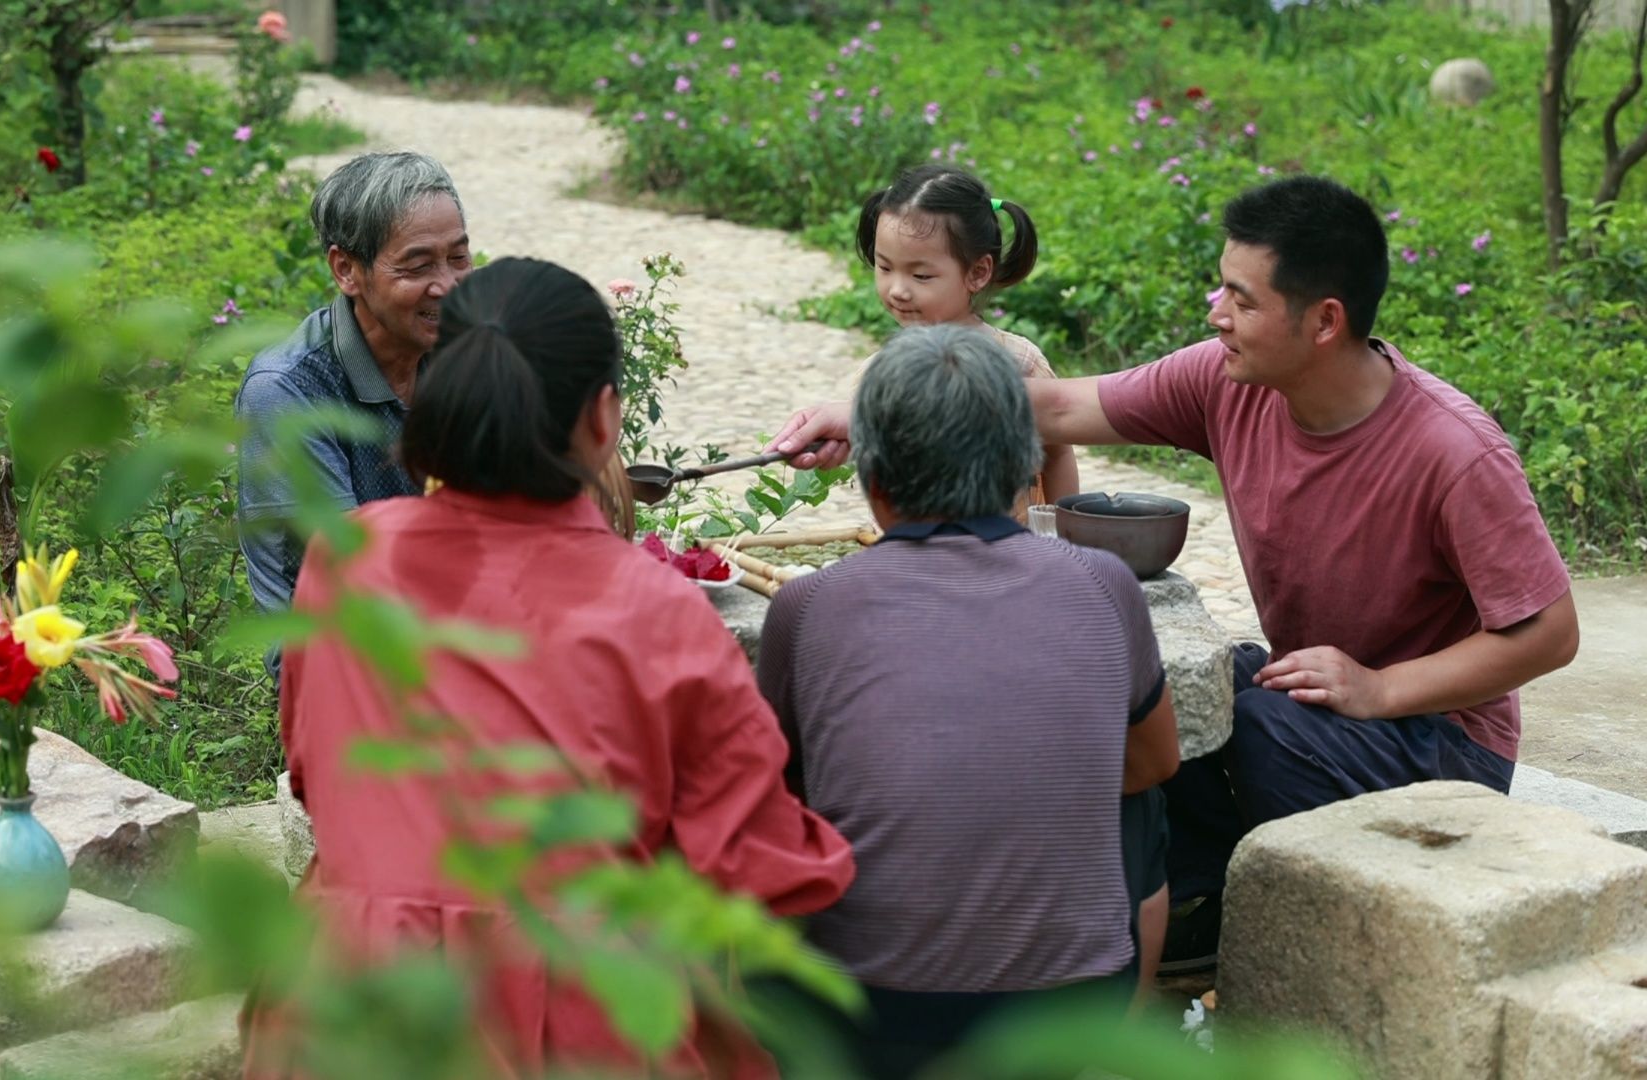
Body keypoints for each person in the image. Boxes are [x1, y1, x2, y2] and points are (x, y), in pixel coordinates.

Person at [766, 175, 1579, 973]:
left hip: (1439, 741)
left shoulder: (1454, 452)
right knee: (1167, 695)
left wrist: (1383, 688)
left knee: (1255, 727)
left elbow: (1550, 634)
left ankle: (1263, 920)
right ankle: (1202, 901)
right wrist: (862, 414)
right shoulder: (1226, 382)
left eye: (1241, 299)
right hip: (1313, 694)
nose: (1215, 312)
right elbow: (1057, 405)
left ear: (1325, 321)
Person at [241, 257, 854, 1078]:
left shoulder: (346, 561)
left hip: (345, 1011)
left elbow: (320, 777)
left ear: (438, 393)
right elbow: (752, 864)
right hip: (568, 1015)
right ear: (603, 421)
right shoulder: (656, 608)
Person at [756, 325, 1179, 1078]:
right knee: (1139, 804)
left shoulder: (810, 606)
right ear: (1027, 472)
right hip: (1068, 1010)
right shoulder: (1102, 583)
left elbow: (790, 794)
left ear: (875, 485)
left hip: (871, 1013)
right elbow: (1156, 761)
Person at [235, 151, 473, 616]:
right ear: (346, 270)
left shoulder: (456, 351)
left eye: (459, 257)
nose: (448, 284)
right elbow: (357, 575)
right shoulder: (290, 391)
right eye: (418, 266)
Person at [852, 164, 1078, 508]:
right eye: (884, 268)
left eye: (921, 275)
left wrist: (1067, 541)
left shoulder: (1018, 363)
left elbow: (1057, 452)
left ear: (977, 272)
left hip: (1013, 554)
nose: (897, 289)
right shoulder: (880, 373)